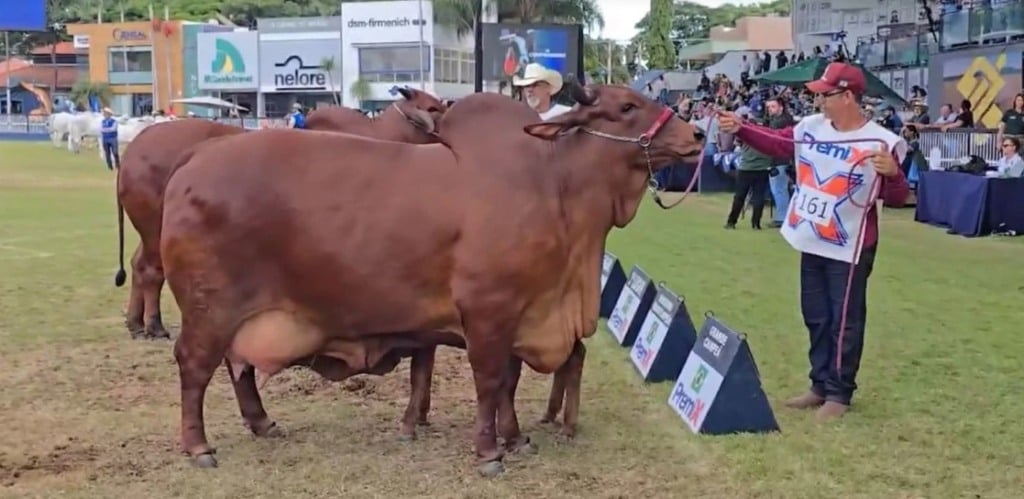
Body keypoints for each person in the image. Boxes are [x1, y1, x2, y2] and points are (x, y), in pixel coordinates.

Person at [718, 62, 909, 421]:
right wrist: (741, 129)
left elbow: (899, 198)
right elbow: (776, 144)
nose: (818, 100)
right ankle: (819, 384)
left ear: (849, 96)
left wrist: (894, 174)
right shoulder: (811, 128)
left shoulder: (881, 141)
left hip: (850, 246)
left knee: (845, 320)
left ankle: (840, 391)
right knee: (817, 316)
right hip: (812, 239)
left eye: (825, 94)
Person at [764, 98, 796, 228]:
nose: (770, 109)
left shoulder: (779, 122)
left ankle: (782, 218)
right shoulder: (786, 120)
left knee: (779, 189)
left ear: (780, 107)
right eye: (769, 107)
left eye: (773, 106)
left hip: (779, 160)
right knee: (781, 189)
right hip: (785, 159)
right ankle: (783, 216)